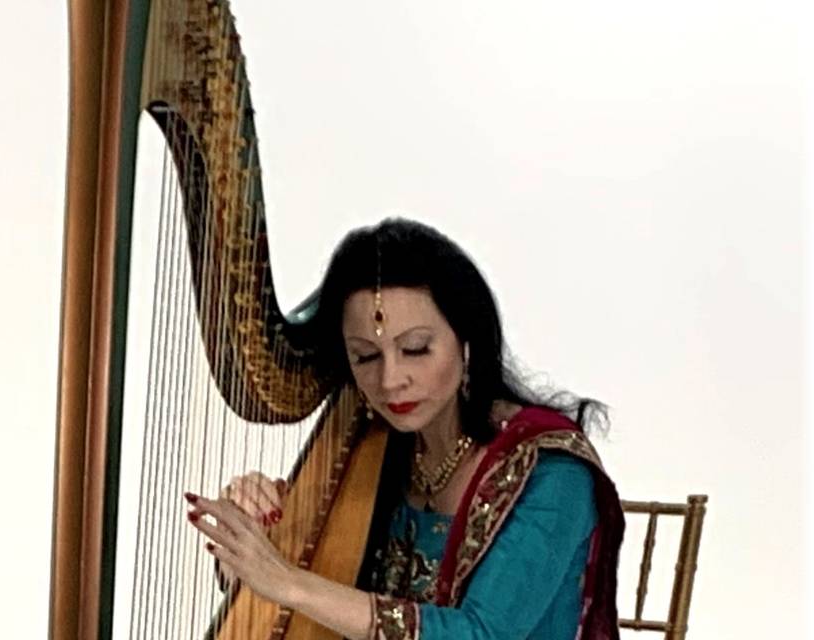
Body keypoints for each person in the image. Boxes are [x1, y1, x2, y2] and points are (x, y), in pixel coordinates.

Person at [183, 218, 624, 639]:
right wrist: (253, 543)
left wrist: (291, 583)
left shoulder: (552, 474)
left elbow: (480, 634)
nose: (391, 380)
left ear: (467, 341)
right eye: (366, 356)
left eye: (415, 349)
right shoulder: (381, 447)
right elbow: (313, 597)